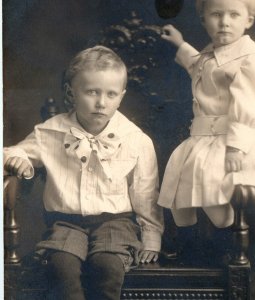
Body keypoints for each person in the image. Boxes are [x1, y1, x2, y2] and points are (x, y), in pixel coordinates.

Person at [4, 45, 164, 300]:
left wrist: (152, 237)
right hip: (66, 223)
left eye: (111, 94)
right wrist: (18, 159)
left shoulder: (135, 139)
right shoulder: (51, 132)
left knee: (107, 266)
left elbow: (145, 192)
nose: (101, 103)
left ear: (121, 96)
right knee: (61, 266)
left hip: (116, 222)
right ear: (71, 93)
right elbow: (11, 152)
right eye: (91, 92)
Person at [158, 0, 255, 257]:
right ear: (204, 20)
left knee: (212, 187)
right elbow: (202, 69)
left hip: (236, 140)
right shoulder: (212, 55)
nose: (224, 21)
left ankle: (222, 243)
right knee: (177, 178)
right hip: (205, 137)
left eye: (233, 15)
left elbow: (252, 107)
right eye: (216, 14)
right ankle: (189, 244)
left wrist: (236, 147)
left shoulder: (252, 60)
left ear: (248, 20)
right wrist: (181, 44)